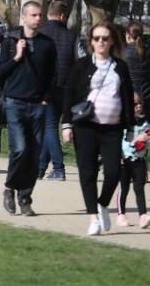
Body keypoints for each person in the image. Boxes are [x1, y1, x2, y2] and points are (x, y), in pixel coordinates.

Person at [62, 21, 135, 236]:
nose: (101, 42)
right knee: (88, 173)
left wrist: (130, 127)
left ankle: (103, 204)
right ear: (91, 42)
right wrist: (66, 124)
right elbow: (69, 94)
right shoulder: (82, 65)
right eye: (97, 38)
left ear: (112, 40)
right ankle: (93, 217)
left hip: (112, 129)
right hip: (85, 127)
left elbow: (128, 98)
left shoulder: (120, 66)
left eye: (105, 38)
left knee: (113, 172)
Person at [0, 1, 57, 217]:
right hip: (14, 103)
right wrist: (17, 57)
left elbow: (52, 75)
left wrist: (47, 98)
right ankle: (9, 188)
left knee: (34, 153)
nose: (38, 19)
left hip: (38, 105)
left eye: (40, 15)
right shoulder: (10, 42)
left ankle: (24, 197)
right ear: (24, 17)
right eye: (34, 15)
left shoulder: (47, 44)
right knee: (20, 149)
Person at [37, 0, 85, 181]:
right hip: (66, 87)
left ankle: (58, 168)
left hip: (45, 87)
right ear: (63, 16)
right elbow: (81, 61)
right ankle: (41, 168)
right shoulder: (71, 36)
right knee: (50, 126)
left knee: (48, 127)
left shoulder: (39, 34)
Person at [116, 92, 150, 229]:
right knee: (123, 188)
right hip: (125, 160)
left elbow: (147, 144)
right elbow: (117, 142)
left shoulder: (145, 124)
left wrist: (147, 140)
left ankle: (143, 215)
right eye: (134, 104)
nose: (138, 106)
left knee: (139, 188)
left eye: (140, 103)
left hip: (140, 161)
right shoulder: (122, 123)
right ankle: (121, 214)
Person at [123, 21, 150, 115]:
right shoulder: (147, 51)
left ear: (128, 35)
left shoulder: (123, 53)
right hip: (147, 96)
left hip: (129, 97)